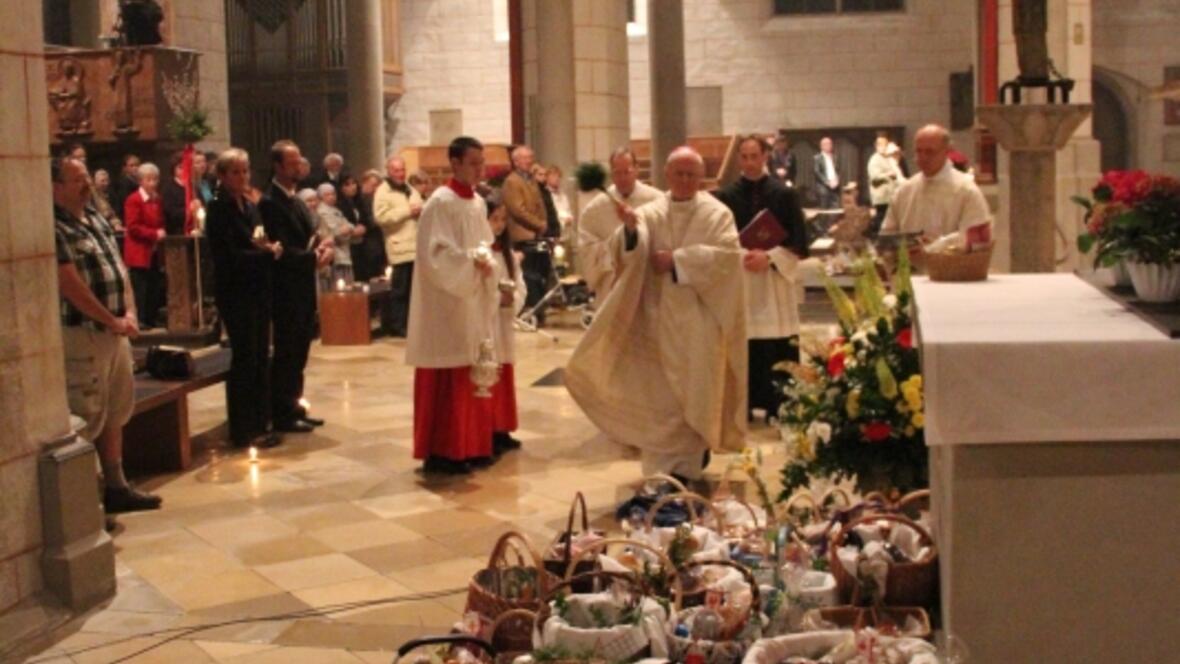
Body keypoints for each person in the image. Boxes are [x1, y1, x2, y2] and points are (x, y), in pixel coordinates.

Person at [565, 146, 747, 481]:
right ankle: (658, 473)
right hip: (656, 317)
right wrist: (632, 230)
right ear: (667, 175)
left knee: (693, 393)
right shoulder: (651, 211)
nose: (685, 180)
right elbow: (631, 248)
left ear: (702, 177)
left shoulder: (717, 213)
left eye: (692, 174)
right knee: (659, 398)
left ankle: (691, 467)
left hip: (698, 322)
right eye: (679, 173)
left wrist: (678, 260)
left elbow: (727, 258)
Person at [53, 156, 161, 514]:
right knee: (88, 413)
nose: (86, 185)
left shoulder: (95, 217)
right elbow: (69, 284)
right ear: (55, 188)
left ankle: (117, 486)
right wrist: (109, 319)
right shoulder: (55, 226)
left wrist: (129, 312)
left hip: (115, 330)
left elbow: (119, 267)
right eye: (77, 180)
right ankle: (86, 503)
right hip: (82, 332)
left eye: (87, 178)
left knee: (115, 408)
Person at [405, 136, 499, 475]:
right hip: (445, 302)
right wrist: (471, 262)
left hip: (471, 298)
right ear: (455, 163)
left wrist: (486, 259)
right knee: (448, 372)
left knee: (474, 370)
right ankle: (444, 450)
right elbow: (435, 256)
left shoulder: (475, 202)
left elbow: (485, 241)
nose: (480, 169)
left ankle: (472, 445)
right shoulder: (440, 203)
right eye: (473, 163)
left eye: (482, 163)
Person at [714, 135, 809, 421]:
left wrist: (769, 258)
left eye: (754, 156)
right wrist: (741, 255)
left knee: (775, 343)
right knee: (743, 343)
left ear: (765, 156)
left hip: (773, 281)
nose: (749, 162)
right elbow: (719, 241)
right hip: (741, 279)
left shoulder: (785, 195)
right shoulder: (726, 197)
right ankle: (742, 405)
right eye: (743, 157)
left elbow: (799, 242)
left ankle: (780, 405)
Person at [206, 148, 283, 449]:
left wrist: (268, 247)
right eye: (236, 172)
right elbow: (227, 255)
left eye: (245, 171)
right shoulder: (218, 208)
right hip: (235, 290)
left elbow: (257, 237)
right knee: (245, 357)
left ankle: (261, 422)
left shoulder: (249, 206)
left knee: (261, 355)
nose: (242, 177)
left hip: (257, 288)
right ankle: (243, 428)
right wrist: (263, 254)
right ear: (223, 176)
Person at [259, 140, 334, 433]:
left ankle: (295, 405)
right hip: (286, 288)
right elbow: (281, 249)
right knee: (288, 351)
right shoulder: (269, 203)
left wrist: (323, 249)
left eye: (299, 160)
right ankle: (283, 413)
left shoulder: (297, 200)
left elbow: (310, 236)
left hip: (303, 284)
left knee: (300, 350)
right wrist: (312, 258)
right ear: (278, 166)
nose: (298, 166)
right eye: (292, 162)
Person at [881, 124, 991, 244]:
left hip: (952, 262)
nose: (922, 158)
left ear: (946, 152)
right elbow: (887, 236)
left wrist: (935, 247)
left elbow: (976, 238)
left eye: (929, 152)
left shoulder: (967, 190)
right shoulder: (904, 191)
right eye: (918, 151)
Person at [577, 147, 661, 299]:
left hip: (647, 283)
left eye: (627, 172)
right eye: (617, 172)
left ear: (637, 170)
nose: (622, 178)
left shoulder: (656, 200)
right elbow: (586, 248)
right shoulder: (595, 209)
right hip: (612, 283)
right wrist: (615, 246)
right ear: (611, 173)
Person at [486, 196, 526, 456]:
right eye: (494, 219)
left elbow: (520, 285)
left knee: (504, 375)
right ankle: (488, 429)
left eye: (502, 220)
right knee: (488, 375)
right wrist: (495, 297)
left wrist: (513, 298)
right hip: (487, 323)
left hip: (503, 322)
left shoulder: (508, 255)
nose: (499, 226)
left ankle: (502, 428)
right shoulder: (482, 253)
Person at [373, 155, 424, 337]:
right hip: (399, 245)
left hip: (416, 245)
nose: (400, 173)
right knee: (400, 289)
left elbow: (419, 205)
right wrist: (407, 211)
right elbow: (381, 217)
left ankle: (412, 324)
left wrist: (421, 210)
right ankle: (398, 325)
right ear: (388, 171)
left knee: (413, 290)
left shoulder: (409, 189)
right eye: (396, 170)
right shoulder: (383, 191)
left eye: (402, 170)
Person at [122, 161, 165, 329]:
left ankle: (150, 317)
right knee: (141, 288)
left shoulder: (157, 199)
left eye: (155, 179)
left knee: (154, 285)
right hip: (139, 251)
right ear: (141, 181)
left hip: (153, 250)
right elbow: (133, 227)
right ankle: (140, 319)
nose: (152, 183)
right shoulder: (133, 200)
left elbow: (159, 220)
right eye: (149, 180)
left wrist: (160, 231)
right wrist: (154, 234)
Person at [317, 181, 363, 283]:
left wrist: (349, 230)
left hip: (345, 253)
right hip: (335, 256)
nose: (332, 196)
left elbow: (349, 225)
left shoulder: (336, 210)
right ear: (320, 197)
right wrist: (348, 231)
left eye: (333, 193)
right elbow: (336, 233)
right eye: (327, 194)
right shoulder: (322, 211)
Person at [867, 138, 905, 237]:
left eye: (885, 145)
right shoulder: (874, 159)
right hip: (881, 197)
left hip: (890, 197)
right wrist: (888, 175)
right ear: (876, 146)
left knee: (887, 220)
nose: (883, 147)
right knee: (880, 219)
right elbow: (874, 177)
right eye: (881, 145)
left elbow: (897, 177)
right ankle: (873, 236)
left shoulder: (888, 159)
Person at [160, 152, 189, 235]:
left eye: (186, 167)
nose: (184, 170)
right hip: (176, 231)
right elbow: (170, 212)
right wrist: (188, 211)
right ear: (174, 169)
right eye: (180, 167)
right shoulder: (169, 188)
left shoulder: (193, 186)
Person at [112, 153, 141, 219]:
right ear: (125, 168)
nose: (135, 168)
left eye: (137, 165)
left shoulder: (139, 182)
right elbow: (125, 204)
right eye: (131, 165)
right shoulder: (124, 183)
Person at [545, 165, 573, 231]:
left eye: (559, 176)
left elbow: (568, 210)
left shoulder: (563, 195)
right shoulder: (545, 195)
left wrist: (569, 218)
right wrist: (563, 221)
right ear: (547, 177)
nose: (557, 178)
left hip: (566, 230)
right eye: (554, 176)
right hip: (552, 229)